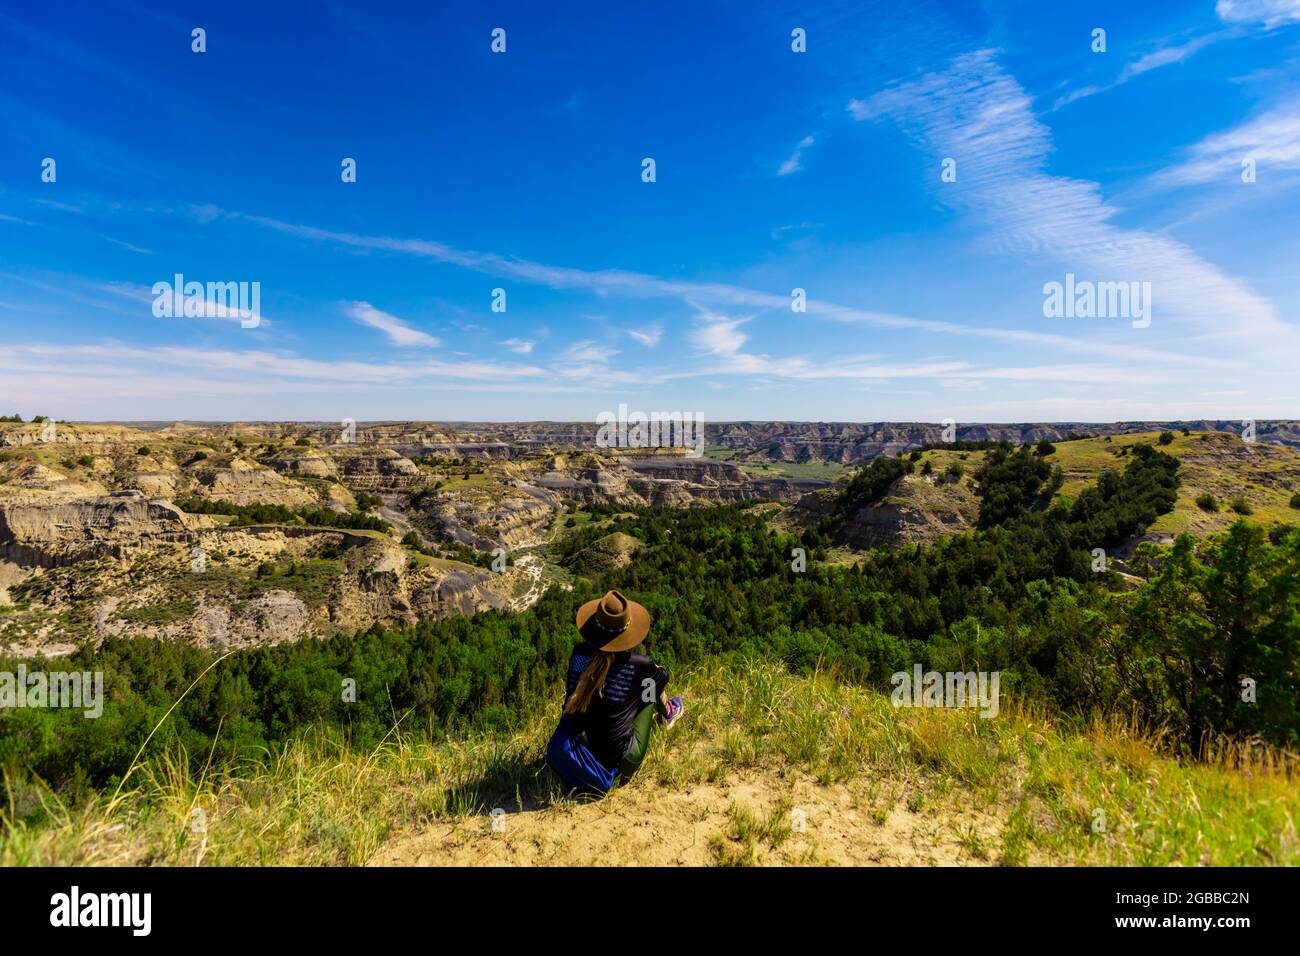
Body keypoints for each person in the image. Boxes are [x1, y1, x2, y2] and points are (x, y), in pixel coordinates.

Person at [545, 590, 684, 795]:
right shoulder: (638, 666)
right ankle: (669, 711)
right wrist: (652, 667)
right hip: (620, 760)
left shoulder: (579, 655)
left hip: (576, 750)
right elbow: (662, 676)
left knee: (639, 687)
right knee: (648, 689)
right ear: (626, 633)